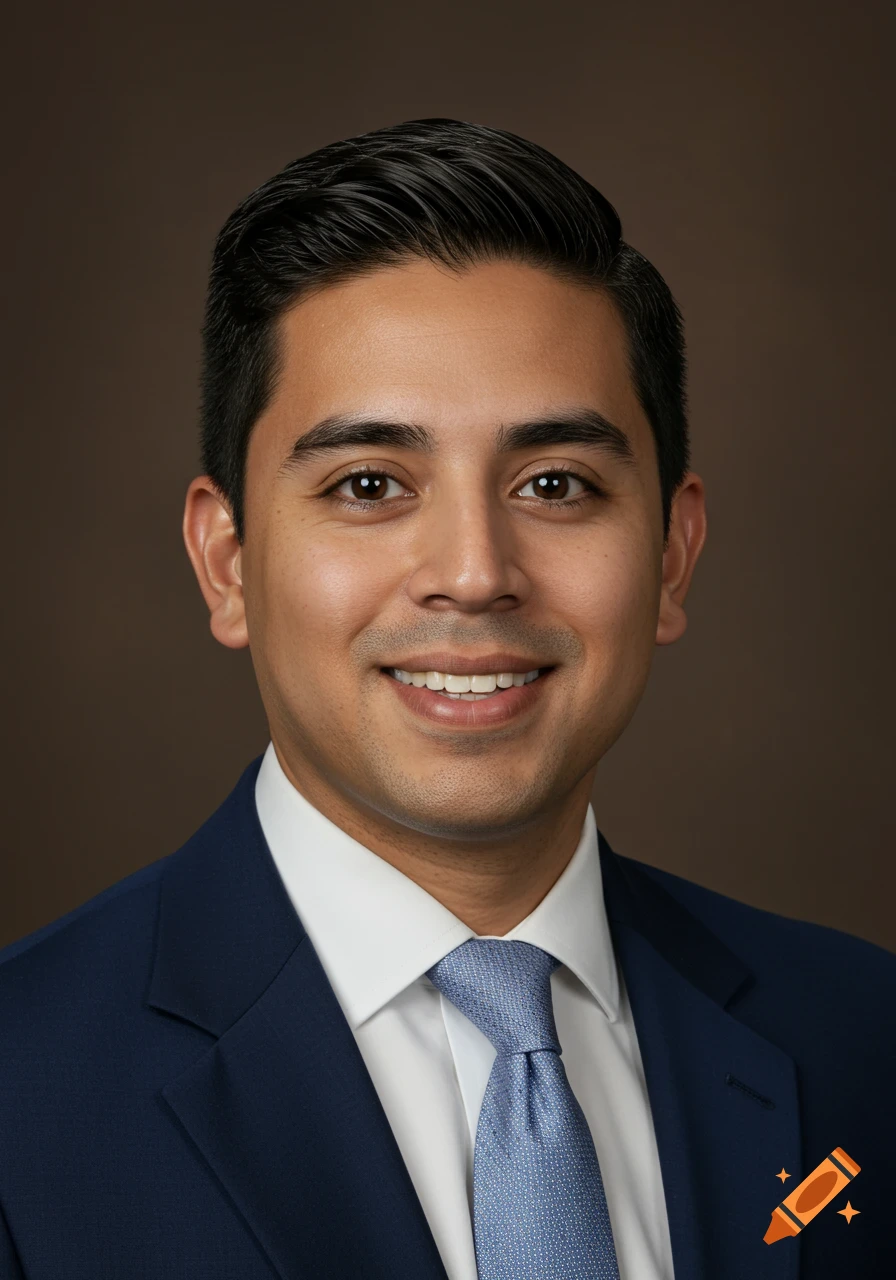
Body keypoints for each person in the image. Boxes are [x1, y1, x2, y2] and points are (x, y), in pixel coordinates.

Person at [0, 119, 892, 1280]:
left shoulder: (862, 1036)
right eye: (369, 484)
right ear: (226, 560)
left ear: (671, 553)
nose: (473, 570)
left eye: (554, 483)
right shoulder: (22, 1090)